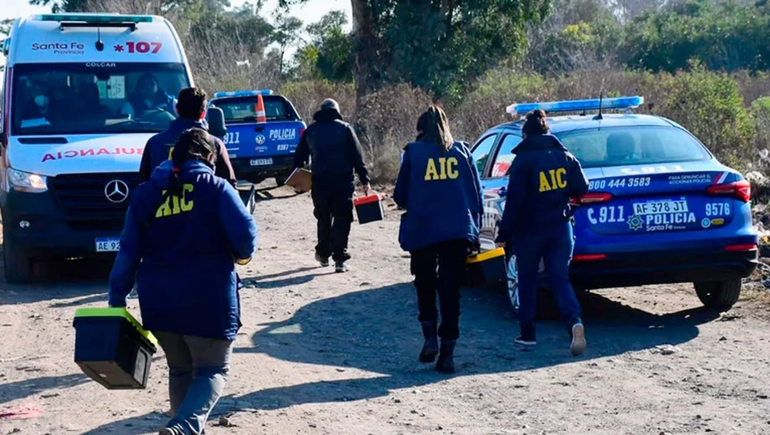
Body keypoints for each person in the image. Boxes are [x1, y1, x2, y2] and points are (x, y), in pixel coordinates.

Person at [108, 128, 258, 435]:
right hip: (209, 298)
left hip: (159, 302)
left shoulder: (146, 193)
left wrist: (117, 298)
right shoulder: (215, 188)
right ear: (207, 156)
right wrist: (238, 254)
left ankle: (183, 428)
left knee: (180, 369)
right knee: (212, 369)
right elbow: (246, 238)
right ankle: (183, 426)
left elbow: (127, 252)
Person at [394, 106, 483, 374]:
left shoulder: (413, 152)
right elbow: (475, 194)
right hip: (457, 231)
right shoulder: (462, 152)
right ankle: (447, 354)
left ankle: (430, 336)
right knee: (450, 291)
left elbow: (400, 196)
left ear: (420, 129)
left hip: (423, 228)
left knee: (424, 284)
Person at [494, 109, 589, 356]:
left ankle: (528, 335)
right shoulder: (564, 156)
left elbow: (514, 201)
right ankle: (575, 322)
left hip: (530, 230)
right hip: (560, 227)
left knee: (527, 280)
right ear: (547, 131)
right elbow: (583, 186)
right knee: (559, 278)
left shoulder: (523, 162)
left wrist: (503, 233)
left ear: (526, 134)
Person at [293, 98, 371, 273]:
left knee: (323, 218)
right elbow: (357, 158)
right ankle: (340, 260)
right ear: (336, 110)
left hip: (320, 183)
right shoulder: (344, 129)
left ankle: (322, 254)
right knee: (342, 219)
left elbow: (299, 158)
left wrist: (297, 180)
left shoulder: (311, 131)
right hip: (343, 183)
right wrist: (365, 180)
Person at [140, 87, 237, 187]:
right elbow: (230, 187)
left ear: (176, 109)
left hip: (160, 201)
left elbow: (143, 186)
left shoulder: (154, 143)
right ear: (203, 114)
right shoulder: (214, 144)